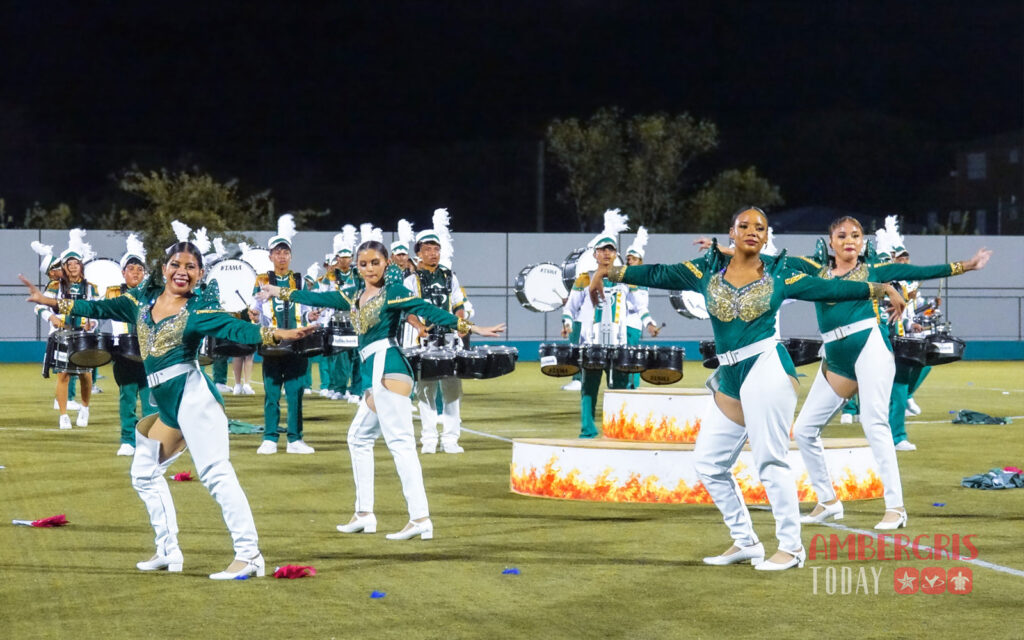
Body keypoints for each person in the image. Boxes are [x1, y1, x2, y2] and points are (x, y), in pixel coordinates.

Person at [589, 207, 906, 571]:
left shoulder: (779, 274)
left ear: (767, 236)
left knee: (770, 461)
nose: (753, 231)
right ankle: (746, 541)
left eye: (761, 227)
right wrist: (607, 272)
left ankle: (791, 548)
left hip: (766, 366)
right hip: (730, 374)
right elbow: (657, 274)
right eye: (745, 226)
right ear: (732, 232)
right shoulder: (705, 270)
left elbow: (832, 286)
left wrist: (881, 288)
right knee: (708, 462)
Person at [20, 232, 313, 579]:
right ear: (163, 268)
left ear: (200, 275)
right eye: (176, 264)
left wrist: (279, 334)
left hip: (194, 399)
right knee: (143, 473)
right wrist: (51, 302)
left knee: (217, 475)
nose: (183, 271)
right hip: (169, 405)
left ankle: (249, 556)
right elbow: (96, 308)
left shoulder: (199, 310)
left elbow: (237, 329)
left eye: (191, 266)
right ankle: (168, 551)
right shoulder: (138, 304)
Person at [260, 238, 504, 540]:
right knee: (358, 438)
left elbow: (429, 309)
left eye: (375, 262)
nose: (368, 268)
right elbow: (318, 298)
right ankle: (364, 514)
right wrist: (277, 291)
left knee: (400, 444)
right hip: (373, 369)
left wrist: (474, 328)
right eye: (363, 263)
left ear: (386, 263)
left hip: (388, 366)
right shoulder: (353, 294)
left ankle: (420, 518)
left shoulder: (394, 292)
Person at [785, 216, 990, 530]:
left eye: (856, 235)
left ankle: (896, 508)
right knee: (804, 430)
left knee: (874, 422)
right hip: (836, 358)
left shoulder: (875, 270)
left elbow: (918, 272)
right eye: (842, 235)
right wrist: (727, 252)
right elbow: (769, 261)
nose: (849, 240)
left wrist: (968, 265)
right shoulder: (816, 272)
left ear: (863, 243)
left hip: (869, 346)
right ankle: (827, 501)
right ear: (831, 242)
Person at [563, 209, 641, 437]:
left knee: (619, 390)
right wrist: (567, 323)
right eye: (602, 250)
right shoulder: (584, 278)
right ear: (595, 254)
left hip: (619, 344)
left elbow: (637, 306)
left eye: (611, 249)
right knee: (589, 389)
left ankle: (617, 431)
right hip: (592, 345)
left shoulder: (627, 278)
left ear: (616, 253)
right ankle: (588, 430)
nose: (607, 254)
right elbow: (570, 308)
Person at [405, 209, 469, 454]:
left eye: (436, 248)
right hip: (425, 342)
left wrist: (461, 325)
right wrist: (419, 327)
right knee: (426, 391)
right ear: (418, 253)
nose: (433, 253)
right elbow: (405, 309)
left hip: (450, 339)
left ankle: (451, 440)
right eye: (428, 249)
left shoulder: (449, 276)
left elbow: (458, 305)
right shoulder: (411, 280)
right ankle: (429, 440)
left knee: (452, 390)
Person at [253, 215, 315, 455]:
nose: (281, 256)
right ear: (270, 256)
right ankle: (269, 438)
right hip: (271, 341)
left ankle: (295, 439)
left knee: (295, 392)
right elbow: (255, 309)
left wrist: (313, 316)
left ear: (290, 256)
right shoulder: (261, 280)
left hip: (297, 342)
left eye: (285, 252)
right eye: (277, 252)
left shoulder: (299, 281)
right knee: (271, 392)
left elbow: (307, 311)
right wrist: (254, 316)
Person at [105, 234, 156, 456]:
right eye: (131, 268)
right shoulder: (114, 292)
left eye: (139, 269)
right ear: (123, 272)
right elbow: (100, 310)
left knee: (149, 400)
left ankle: (148, 440)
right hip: (124, 353)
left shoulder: (151, 294)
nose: (135, 272)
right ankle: (127, 439)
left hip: (147, 352)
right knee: (127, 397)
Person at [46, 230, 99, 430]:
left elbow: (97, 309)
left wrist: (92, 322)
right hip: (63, 334)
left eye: (76, 263)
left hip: (84, 335)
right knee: (63, 374)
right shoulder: (55, 285)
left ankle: (85, 408)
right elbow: (40, 306)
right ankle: (63, 415)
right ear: (65, 267)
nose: (73, 267)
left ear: (81, 266)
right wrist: (51, 317)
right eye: (69, 264)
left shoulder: (90, 288)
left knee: (85, 374)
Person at [623, 227, 661, 388]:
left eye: (633, 258)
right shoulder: (623, 276)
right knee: (621, 359)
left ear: (640, 261)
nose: (629, 261)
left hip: (632, 324)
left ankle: (633, 387)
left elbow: (641, 306)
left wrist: (649, 323)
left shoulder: (641, 281)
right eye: (628, 258)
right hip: (618, 325)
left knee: (631, 358)